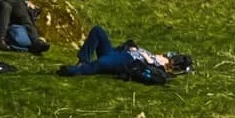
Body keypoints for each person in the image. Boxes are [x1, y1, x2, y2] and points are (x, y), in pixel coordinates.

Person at [57, 25, 194, 82]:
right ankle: (83, 61)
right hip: (119, 54)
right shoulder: (161, 58)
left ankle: (76, 71)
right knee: (98, 31)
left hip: (126, 61)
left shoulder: (161, 71)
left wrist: (151, 62)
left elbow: (156, 77)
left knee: (102, 63)